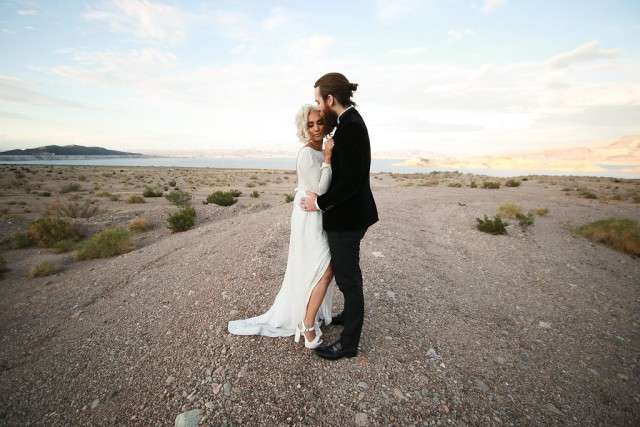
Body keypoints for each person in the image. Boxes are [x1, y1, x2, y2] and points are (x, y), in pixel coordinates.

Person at [227, 104, 337, 349]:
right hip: (309, 218)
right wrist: (328, 159)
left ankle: (310, 314)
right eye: (310, 124)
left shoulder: (320, 149)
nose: (316, 128)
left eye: (319, 122)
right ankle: (306, 325)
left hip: (318, 215)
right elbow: (320, 190)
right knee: (325, 267)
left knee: (319, 267)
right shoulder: (309, 153)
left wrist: (328, 157)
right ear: (303, 128)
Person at [300, 72, 379, 360]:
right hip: (349, 216)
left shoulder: (351, 127)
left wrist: (320, 203)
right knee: (346, 273)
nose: (318, 107)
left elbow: (351, 182)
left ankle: (348, 345)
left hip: (348, 220)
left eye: (318, 101)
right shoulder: (347, 123)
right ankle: (348, 316)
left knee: (349, 280)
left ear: (330, 99)